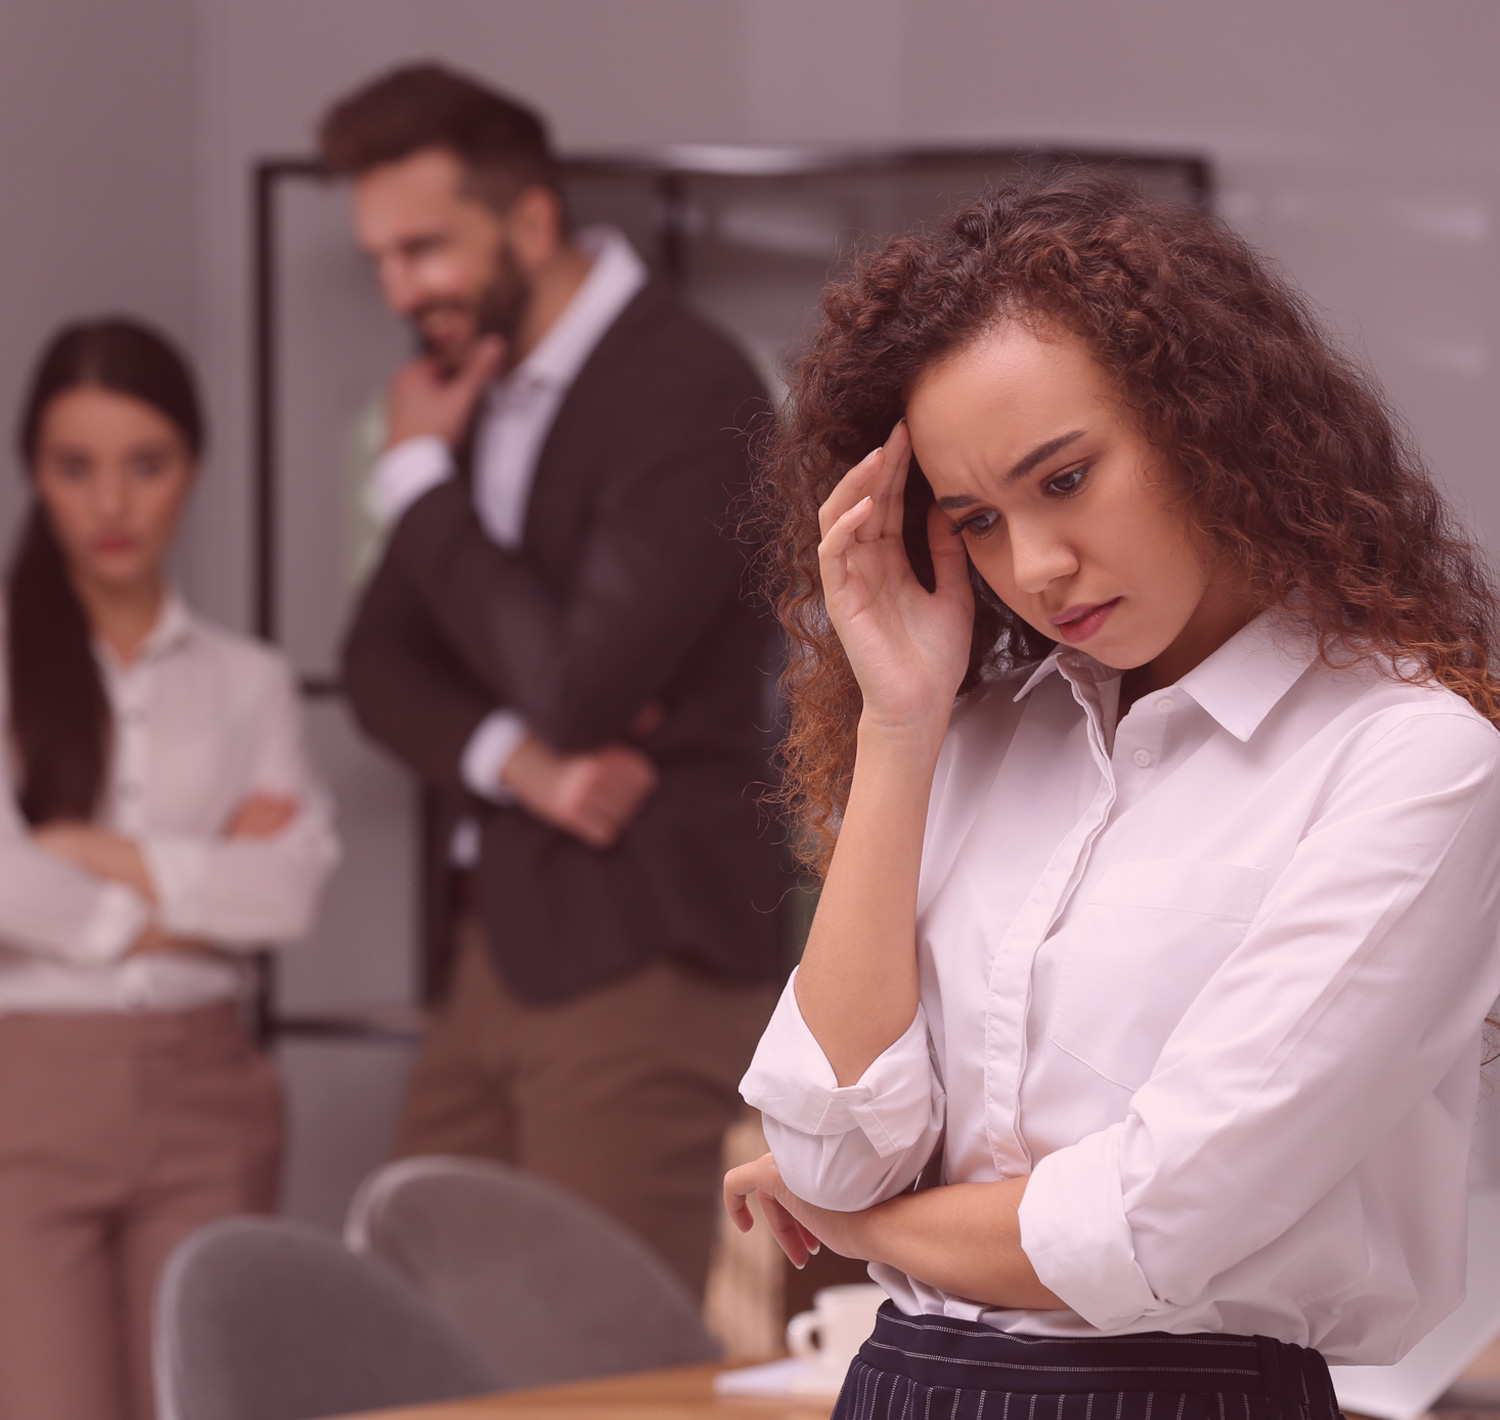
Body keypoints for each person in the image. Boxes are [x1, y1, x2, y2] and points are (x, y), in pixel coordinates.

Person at [724, 175, 1500, 1420]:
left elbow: (1152, 1221)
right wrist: (901, 724)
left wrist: (865, 1223)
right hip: (899, 1390)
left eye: (1067, 480)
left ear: (1212, 425)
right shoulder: (971, 744)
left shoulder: (1411, 761)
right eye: (977, 519)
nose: (1035, 566)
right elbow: (827, 1139)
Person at [323, 64, 783, 1295]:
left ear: (530, 219)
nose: (400, 288)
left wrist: (418, 486)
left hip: (643, 943)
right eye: (379, 257)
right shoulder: (469, 392)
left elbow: (578, 682)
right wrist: (517, 760)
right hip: (498, 949)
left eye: (423, 247)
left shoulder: (690, 386)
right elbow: (376, 664)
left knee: (590, 1353)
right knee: (416, 1323)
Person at [0, 318, 339, 1420]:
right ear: (33, 473)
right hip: (29, 1095)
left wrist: (91, 858)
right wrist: (192, 893)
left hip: (209, 1093)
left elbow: (287, 889)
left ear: (191, 470)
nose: (110, 505)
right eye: (74, 467)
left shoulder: (249, 682)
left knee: (204, 1401)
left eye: (144, 466)